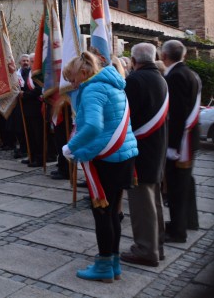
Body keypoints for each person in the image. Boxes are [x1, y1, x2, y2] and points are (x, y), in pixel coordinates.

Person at [61, 51, 138, 283]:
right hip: (124, 156)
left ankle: (104, 265)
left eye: (73, 79)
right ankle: (113, 263)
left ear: (84, 73)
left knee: (102, 214)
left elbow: (94, 127)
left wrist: (70, 147)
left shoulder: (93, 89)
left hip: (107, 160)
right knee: (113, 212)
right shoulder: (114, 85)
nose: (72, 85)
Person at [120, 43, 169, 267]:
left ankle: (145, 250)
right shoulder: (160, 78)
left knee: (142, 204)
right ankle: (156, 246)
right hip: (156, 148)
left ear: (133, 60)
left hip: (141, 149)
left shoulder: (135, 81)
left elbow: (125, 116)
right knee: (154, 200)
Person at [161, 39, 201, 243]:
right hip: (189, 139)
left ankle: (178, 231)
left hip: (181, 143)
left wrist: (172, 146)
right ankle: (189, 220)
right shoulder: (190, 73)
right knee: (186, 183)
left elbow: (177, 115)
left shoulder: (175, 77)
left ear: (164, 56)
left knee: (176, 186)